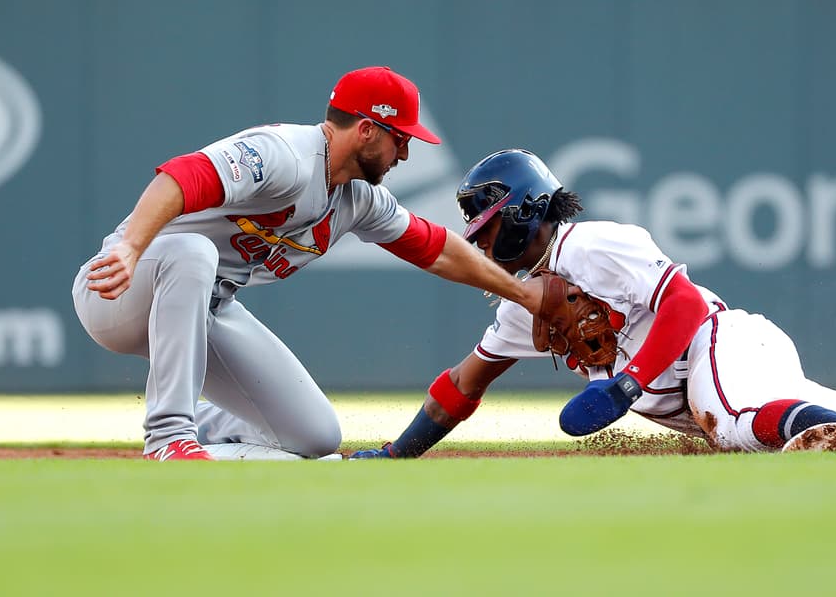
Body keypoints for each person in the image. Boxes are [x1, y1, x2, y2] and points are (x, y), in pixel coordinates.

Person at [350, 149, 836, 459]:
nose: (476, 236)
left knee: (735, 425)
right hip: (718, 372)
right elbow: (463, 386)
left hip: (718, 346)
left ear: (518, 211)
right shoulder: (518, 304)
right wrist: (392, 457)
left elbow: (689, 307)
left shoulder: (588, 247)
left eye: (484, 219)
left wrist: (624, 386)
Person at [72, 68, 546, 461]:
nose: (405, 152)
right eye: (400, 138)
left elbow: (438, 248)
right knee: (195, 250)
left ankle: (197, 431)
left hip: (203, 309)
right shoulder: (286, 156)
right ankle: (169, 436)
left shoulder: (359, 199)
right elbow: (182, 175)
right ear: (366, 129)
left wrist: (525, 296)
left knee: (316, 440)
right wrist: (131, 248)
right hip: (122, 288)